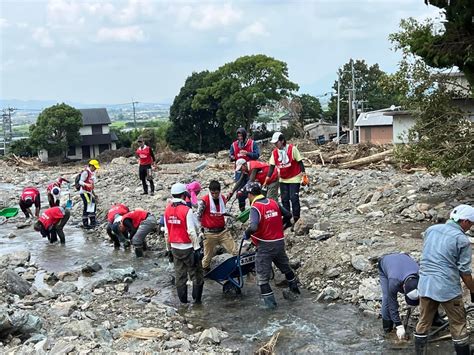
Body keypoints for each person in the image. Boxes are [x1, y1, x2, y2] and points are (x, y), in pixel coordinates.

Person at [415, 204, 474, 355]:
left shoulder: (431, 230)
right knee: (458, 324)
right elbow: (465, 272)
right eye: (471, 224)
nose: (470, 227)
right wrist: (473, 290)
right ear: (465, 221)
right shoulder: (462, 240)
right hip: (447, 287)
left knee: (423, 322)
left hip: (425, 284)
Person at [243, 182, 298, 309]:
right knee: (286, 268)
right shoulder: (273, 202)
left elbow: (253, 226)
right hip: (279, 242)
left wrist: (247, 233)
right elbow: (288, 215)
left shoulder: (255, 207)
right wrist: (281, 226)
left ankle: (271, 308)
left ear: (250, 195)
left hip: (265, 246)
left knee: (262, 278)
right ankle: (295, 292)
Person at [164, 183, 203, 304]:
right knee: (196, 274)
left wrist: (168, 249)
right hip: (188, 248)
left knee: (180, 276)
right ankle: (197, 302)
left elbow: (166, 233)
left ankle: (184, 303)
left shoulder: (167, 210)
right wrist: (197, 249)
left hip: (175, 248)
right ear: (184, 194)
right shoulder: (187, 210)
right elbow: (191, 232)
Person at [266, 132, 309, 225]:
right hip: (283, 178)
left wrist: (304, 175)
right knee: (284, 199)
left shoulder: (292, 149)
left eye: (277, 142)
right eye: (274, 143)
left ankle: (296, 219)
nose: (275, 145)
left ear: (282, 141)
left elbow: (300, 162)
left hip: (295, 177)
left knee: (294, 198)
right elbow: (272, 167)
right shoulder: (275, 153)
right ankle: (287, 219)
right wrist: (267, 178)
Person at [196, 180, 237, 273]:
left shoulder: (222, 198)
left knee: (234, 251)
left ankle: (237, 269)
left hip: (222, 231)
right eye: (212, 193)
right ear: (210, 191)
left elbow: (222, 212)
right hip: (209, 233)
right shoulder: (204, 201)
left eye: (217, 193)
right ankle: (205, 272)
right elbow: (198, 216)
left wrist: (232, 215)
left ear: (220, 191)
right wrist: (200, 230)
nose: (215, 195)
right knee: (207, 257)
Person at [378, 253, 420, 339]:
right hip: (385, 263)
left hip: (403, 257)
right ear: (403, 287)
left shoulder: (421, 275)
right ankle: (387, 329)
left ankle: (435, 319)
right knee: (387, 298)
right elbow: (392, 302)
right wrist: (398, 325)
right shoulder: (394, 281)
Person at [229, 127, 260, 212]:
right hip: (239, 171)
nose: (240, 138)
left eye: (241, 136)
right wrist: (232, 157)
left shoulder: (252, 143)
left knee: (251, 189)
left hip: (251, 170)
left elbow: (257, 155)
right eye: (238, 137)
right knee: (240, 192)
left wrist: (248, 153)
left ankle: (253, 209)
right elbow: (231, 155)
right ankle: (242, 210)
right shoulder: (234, 145)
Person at [78, 160, 100, 229]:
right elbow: (80, 182)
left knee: (92, 204)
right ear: (91, 166)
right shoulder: (85, 172)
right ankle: (86, 223)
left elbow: (91, 186)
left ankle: (92, 221)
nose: (95, 169)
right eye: (94, 167)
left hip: (89, 192)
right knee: (88, 205)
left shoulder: (92, 173)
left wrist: (94, 194)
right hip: (84, 192)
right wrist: (86, 184)